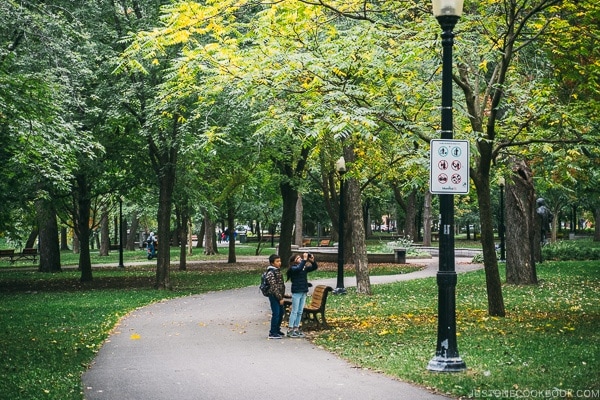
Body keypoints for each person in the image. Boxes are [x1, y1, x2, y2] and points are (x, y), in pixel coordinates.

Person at [286, 252, 318, 338]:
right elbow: (298, 269)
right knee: (294, 311)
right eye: (298, 258)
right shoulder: (293, 268)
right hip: (296, 292)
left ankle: (296, 328)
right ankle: (290, 329)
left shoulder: (303, 268)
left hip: (303, 291)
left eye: (300, 258)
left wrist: (312, 261)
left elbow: (314, 267)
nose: (300, 259)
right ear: (293, 261)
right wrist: (304, 259)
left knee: (300, 311)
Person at [264, 254, 286, 339]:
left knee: (281, 313)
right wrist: (280, 298)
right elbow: (274, 287)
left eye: (280, 261)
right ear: (272, 263)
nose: (279, 263)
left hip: (279, 295)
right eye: (277, 261)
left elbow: (280, 285)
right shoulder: (270, 273)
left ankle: (277, 329)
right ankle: (272, 332)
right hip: (273, 296)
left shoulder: (277, 271)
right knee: (276, 313)